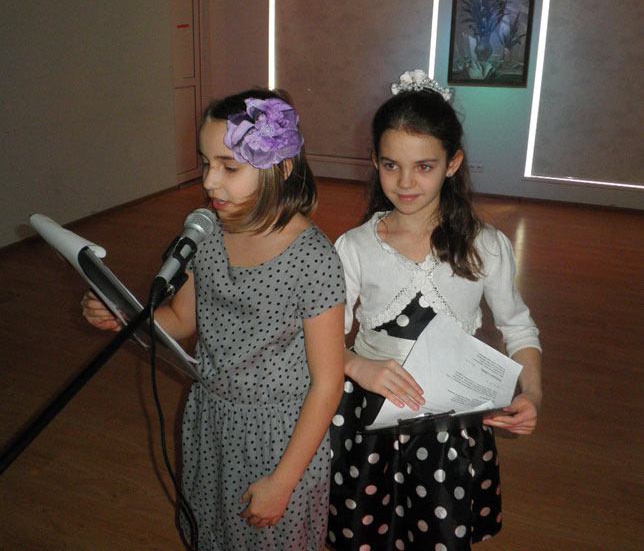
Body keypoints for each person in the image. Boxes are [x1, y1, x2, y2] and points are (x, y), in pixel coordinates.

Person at [82, 88, 346, 551]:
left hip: (278, 436)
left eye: (229, 167)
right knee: (216, 530)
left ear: (281, 168)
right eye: (205, 163)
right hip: (211, 416)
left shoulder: (314, 259)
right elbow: (181, 319)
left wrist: (283, 481)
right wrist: (126, 316)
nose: (209, 181)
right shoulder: (204, 235)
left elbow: (328, 383)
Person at [326, 70, 542, 551]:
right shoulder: (355, 246)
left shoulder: (486, 245)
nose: (405, 182)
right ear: (375, 162)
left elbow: (518, 327)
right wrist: (356, 365)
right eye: (391, 165)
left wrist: (533, 393)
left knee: (437, 532)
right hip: (368, 419)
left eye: (424, 166)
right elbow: (324, 340)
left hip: (449, 424)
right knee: (366, 531)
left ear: (452, 163)